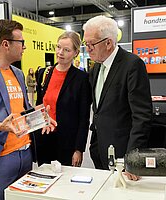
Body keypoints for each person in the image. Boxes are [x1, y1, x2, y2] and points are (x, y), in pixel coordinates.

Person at [0, 19, 56, 200]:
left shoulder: (18, 74)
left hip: (24, 154)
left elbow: (22, 109)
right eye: (21, 42)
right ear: (5, 44)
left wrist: (39, 116)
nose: (24, 47)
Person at [83, 15, 152, 180]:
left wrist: (132, 160)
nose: (88, 48)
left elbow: (141, 116)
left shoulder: (132, 65)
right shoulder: (96, 68)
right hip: (99, 150)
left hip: (123, 154)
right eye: (86, 44)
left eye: (91, 44)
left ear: (108, 43)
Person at [35, 31, 92, 167]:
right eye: (58, 47)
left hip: (67, 142)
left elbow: (83, 117)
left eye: (66, 50)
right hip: (44, 137)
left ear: (75, 53)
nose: (60, 52)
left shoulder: (81, 79)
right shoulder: (44, 73)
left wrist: (79, 149)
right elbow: (38, 105)